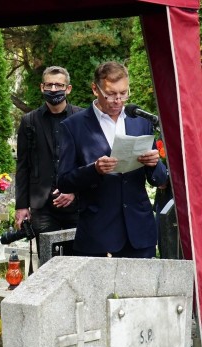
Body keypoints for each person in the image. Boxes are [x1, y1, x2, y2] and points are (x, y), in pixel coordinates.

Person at [58, 61, 168, 258]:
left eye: (124, 93)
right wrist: (95, 170)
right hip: (98, 234)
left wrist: (155, 164)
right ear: (95, 89)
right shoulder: (73, 126)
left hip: (139, 234)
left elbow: (159, 180)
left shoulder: (140, 121)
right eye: (111, 94)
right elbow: (64, 181)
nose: (118, 100)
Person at [15, 66, 82, 255]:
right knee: (48, 262)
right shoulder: (29, 121)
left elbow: (87, 162)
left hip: (75, 203)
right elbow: (22, 166)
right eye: (49, 85)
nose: (54, 89)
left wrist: (74, 192)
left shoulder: (81, 118)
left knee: (77, 259)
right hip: (42, 207)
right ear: (42, 87)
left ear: (68, 89)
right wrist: (21, 206)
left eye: (59, 85)